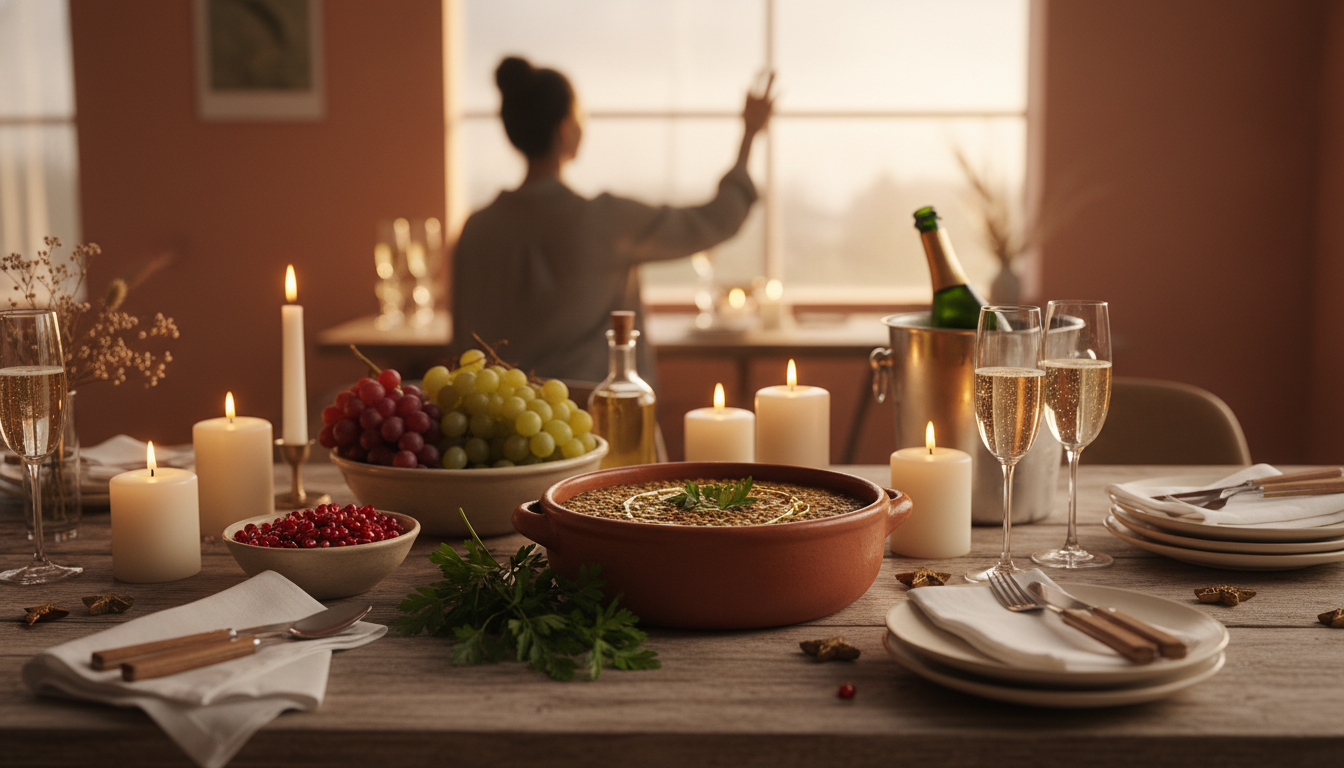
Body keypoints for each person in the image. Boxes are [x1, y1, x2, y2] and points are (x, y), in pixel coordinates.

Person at [450, 56, 774, 389]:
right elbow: (716, 221)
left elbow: (462, 348)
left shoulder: (475, 230)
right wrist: (749, 135)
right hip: (597, 427)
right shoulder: (605, 222)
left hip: (497, 428)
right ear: (566, 130)